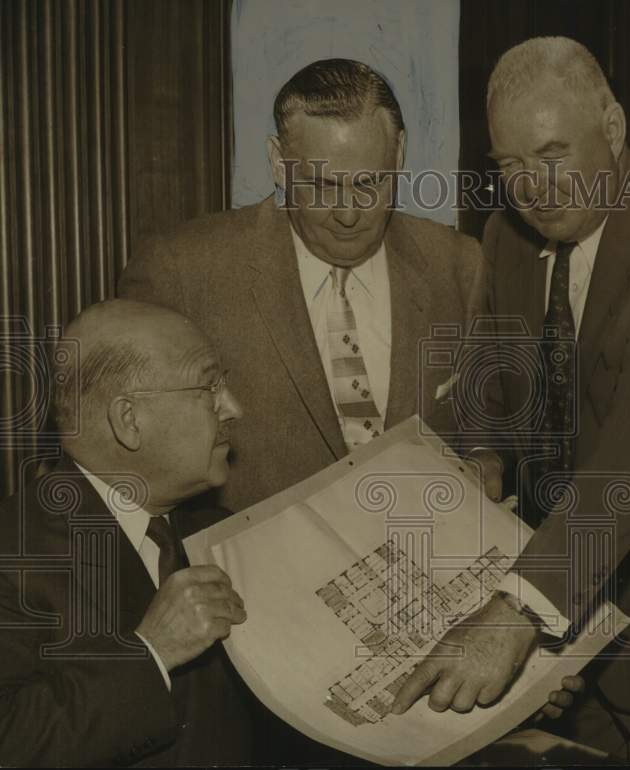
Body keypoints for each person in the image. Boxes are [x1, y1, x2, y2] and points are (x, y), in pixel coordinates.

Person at [393, 37, 630, 764]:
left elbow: (629, 470)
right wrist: (483, 457)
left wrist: (518, 612)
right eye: (509, 166)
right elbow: (491, 382)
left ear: (613, 128)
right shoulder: (507, 236)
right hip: (549, 643)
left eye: (552, 154)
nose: (533, 189)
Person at [118, 58, 496, 514]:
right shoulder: (181, 272)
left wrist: (483, 463)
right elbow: (131, 465)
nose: (349, 214)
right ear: (279, 164)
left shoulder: (458, 264)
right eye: (322, 186)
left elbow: (486, 426)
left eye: (370, 183)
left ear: (398, 155)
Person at [0, 300, 252, 766]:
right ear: (129, 420)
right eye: (209, 387)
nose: (234, 408)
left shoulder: (220, 530)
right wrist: (152, 653)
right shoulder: (13, 552)